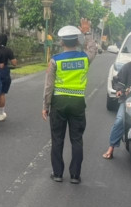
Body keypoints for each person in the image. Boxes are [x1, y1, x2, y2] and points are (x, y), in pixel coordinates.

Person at [42, 26, 98, 183]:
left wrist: (46, 106)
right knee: (77, 139)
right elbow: (93, 49)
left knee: (57, 139)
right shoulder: (85, 58)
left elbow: (48, 87)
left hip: (59, 103)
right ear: (77, 41)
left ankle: (58, 174)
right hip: (78, 103)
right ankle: (75, 175)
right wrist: (87, 34)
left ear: (61, 42)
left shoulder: (55, 61)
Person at [0, 34, 16, 122]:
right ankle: (1, 113)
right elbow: (14, 63)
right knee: (2, 93)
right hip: (4, 72)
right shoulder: (8, 50)